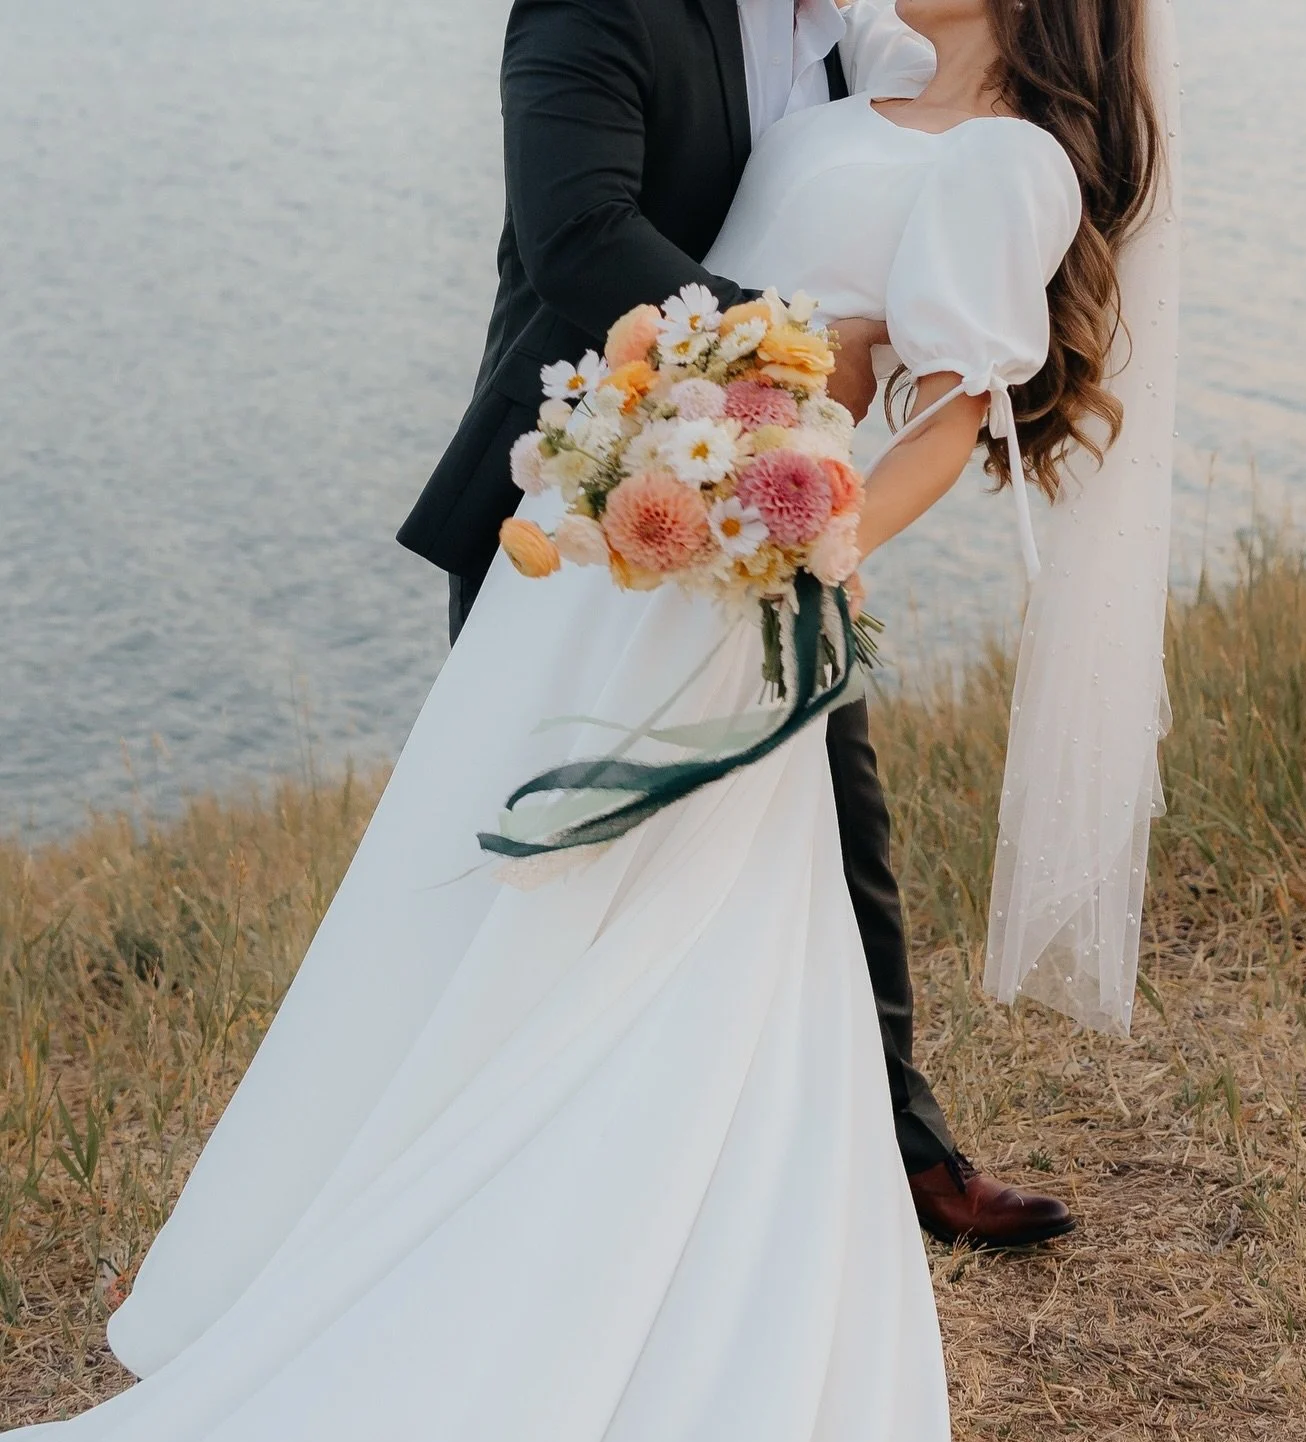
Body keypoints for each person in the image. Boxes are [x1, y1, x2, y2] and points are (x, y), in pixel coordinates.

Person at [0, 2, 1177, 1442]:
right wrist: (749, 409)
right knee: (515, 945)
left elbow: (958, 407)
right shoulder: (838, 68)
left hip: (732, 572)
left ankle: (623, 1378)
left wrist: (821, 546)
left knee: (691, 984)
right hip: (607, 554)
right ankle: (441, 1286)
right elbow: (606, 241)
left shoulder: (1005, 157)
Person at [396, 0, 1076, 1251]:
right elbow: (582, 237)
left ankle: (894, 1148)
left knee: (829, 831)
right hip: (574, 506)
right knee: (549, 847)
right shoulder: (602, 7)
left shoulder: (856, 41)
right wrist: (806, 347)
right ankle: (503, 1177)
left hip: (767, 524)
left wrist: (812, 523)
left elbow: (952, 221)